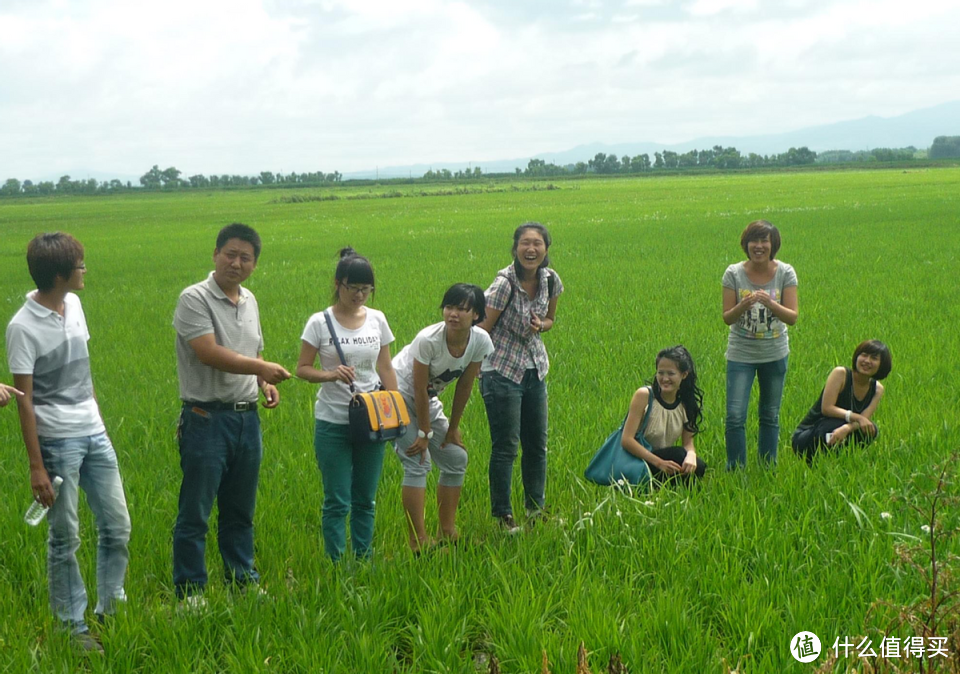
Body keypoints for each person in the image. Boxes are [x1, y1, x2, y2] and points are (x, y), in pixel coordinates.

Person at [5, 233, 131, 651]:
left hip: (94, 433)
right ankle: (71, 626)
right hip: (57, 441)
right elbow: (25, 402)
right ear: (60, 274)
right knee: (66, 535)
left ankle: (111, 609)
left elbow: (84, 372)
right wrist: (36, 466)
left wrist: (98, 421)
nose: (85, 270)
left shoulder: (73, 305)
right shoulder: (22, 328)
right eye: (80, 265)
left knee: (117, 525)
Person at [172, 223, 290, 604]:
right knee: (196, 512)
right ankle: (191, 591)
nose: (236, 263)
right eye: (230, 254)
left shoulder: (250, 300)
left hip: (246, 419)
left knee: (240, 510)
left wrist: (263, 383)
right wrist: (260, 369)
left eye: (246, 257)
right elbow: (208, 352)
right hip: (205, 419)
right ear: (215, 254)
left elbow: (253, 351)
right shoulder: (194, 299)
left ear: (254, 264)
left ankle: (243, 581)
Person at [296, 248, 398, 561]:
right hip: (333, 421)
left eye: (366, 290)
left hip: (371, 418)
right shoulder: (320, 322)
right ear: (338, 284)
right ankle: (336, 564)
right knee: (337, 500)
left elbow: (385, 367)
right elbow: (301, 368)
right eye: (353, 289)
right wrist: (329, 374)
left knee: (365, 498)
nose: (359, 296)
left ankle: (364, 559)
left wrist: (396, 408)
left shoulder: (377, 319)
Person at [392, 284, 494, 553]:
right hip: (396, 396)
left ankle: (447, 531)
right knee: (417, 460)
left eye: (462, 309)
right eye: (449, 307)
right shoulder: (428, 339)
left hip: (427, 399)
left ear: (476, 314)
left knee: (456, 458)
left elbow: (465, 385)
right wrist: (424, 433)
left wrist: (453, 429)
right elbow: (417, 387)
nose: (453, 314)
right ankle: (418, 541)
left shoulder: (480, 341)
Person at [478, 222, 564, 533]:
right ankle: (503, 517)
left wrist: (541, 325)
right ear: (515, 248)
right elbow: (482, 329)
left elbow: (551, 319)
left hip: (534, 368)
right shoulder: (504, 284)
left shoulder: (550, 280)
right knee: (506, 446)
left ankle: (535, 510)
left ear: (546, 249)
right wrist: (473, 370)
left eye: (537, 243)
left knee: (537, 444)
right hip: (501, 370)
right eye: (525, 243)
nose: (531, 249)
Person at [722, 220, 798, 469]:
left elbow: (792, 317)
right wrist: (743, 305)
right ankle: (735, 469)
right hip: (740, 354)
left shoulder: (786, 272)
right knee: (734, 416)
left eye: (764, 240)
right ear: (746, 244)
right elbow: (727, 318)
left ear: (773, 245)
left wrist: (770, 303)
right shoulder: (733, 273)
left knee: (770, 415)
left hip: (774, 353)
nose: (759, 245)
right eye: (754, 240)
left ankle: (768, 466)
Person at [619, 346, 708, 484]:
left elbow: (688, 442)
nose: (665, 378)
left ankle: (664, 489)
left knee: (698, 466)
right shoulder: (644, 396)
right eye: (661, 373)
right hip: (636, 459)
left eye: (671, 373)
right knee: (678, 454)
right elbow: (627, 440)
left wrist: (691, 455)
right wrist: (659, 463)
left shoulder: (686, 403)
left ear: (684, 375)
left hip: (661, 460)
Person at [791, 340, 891, 463]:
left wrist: (846, 428)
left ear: (882, 364)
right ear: (857, 356)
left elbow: (864, 421)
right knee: (832, 425)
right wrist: (856, 418)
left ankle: (842, 461)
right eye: (864, 355)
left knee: (870, 429)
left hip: (840, 430)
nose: (867, 361)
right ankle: (818, 462)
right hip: (809, 434)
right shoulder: (841, 374)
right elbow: (827, 408)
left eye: (874, 358)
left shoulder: (877, 389)